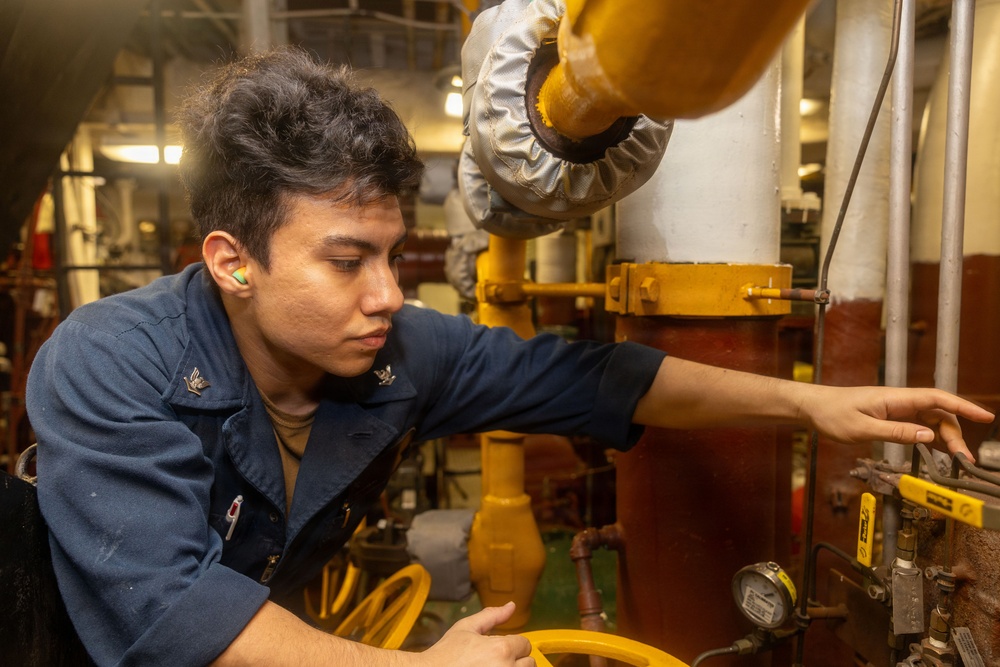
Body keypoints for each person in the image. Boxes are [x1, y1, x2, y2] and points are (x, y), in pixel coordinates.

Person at [26, 47, 992, 667]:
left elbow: (597, 380)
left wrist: (813, 405)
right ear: (234, 262)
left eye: (392, 254)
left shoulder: (396, 352)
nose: (389, 295)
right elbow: (171, 615)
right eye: (346, 260)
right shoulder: (109, 362)